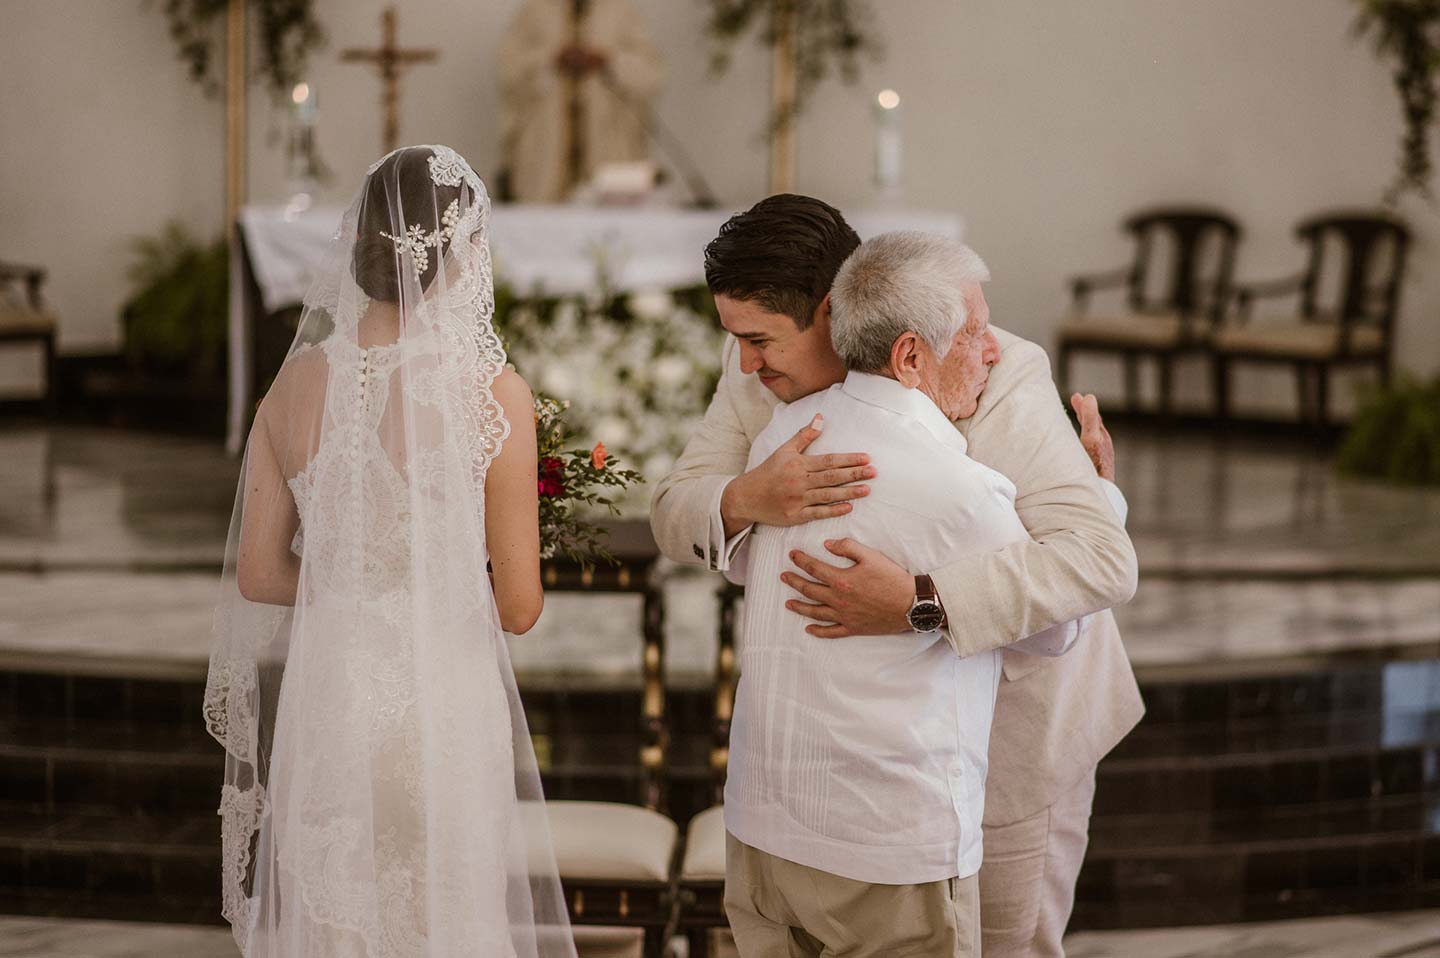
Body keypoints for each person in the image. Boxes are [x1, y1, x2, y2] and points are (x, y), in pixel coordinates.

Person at [650, 194, 1143, 957]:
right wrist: (749, 497)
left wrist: (921, 603)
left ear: (834, 312)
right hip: (841, 787)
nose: (747, 362)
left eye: (761, 340)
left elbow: (1093, 557)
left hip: (1020, 735)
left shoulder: (987, 365)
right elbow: (673, 510)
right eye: (737, 340)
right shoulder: (753, 371)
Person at [204, 145, 575, 958]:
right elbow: (518, 608)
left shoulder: (292, 387)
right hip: (439, 708)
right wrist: (437, 570)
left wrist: (354, 583)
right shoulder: (491, 395)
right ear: (459, 253)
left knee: (335, 929)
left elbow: (260, 573)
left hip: (331, 701)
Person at [498, 0, 664, 201]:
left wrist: (606, 60)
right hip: (544, 157)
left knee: (610, 215)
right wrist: (552, 59)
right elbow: (509, 70)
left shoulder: (621, 12)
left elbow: (650, 76)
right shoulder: (534, 11)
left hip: (609, 151)